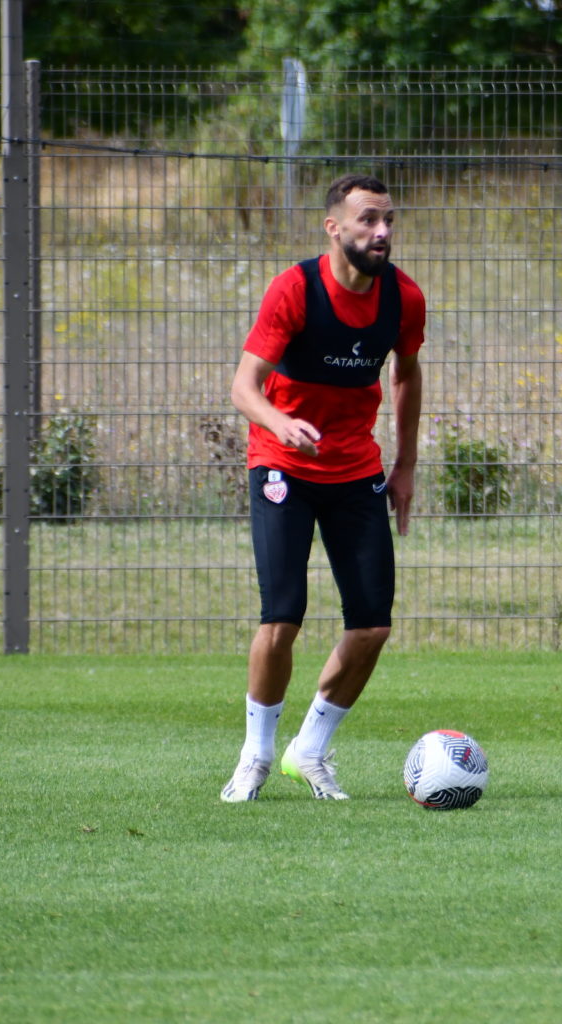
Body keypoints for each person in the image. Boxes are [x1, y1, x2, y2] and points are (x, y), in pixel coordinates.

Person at [221, 173, 425, 802]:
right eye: (368, 220)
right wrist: (281, 423)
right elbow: (243, 387)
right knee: (282, 617)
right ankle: (255, 756)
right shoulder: (295, 289)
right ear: (334, 228)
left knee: (372, 626)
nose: (382, 232)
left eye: (389, 220)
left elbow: (407, 375)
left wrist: (405, 465)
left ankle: (308, 750)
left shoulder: (404, 298)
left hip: (355, 469)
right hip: (281, 465)